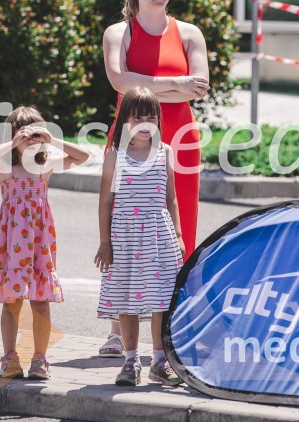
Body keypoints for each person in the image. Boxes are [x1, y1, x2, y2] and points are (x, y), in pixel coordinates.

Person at [99, 0, 208, 357]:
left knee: (180, 229)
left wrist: (146, 86)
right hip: (128, 141)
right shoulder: (118, 32)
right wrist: (175, 84)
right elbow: (119, 81)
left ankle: (173, 327)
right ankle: (117, 329)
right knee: (122, 227)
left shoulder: (190, 33)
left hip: (181, 139)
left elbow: (199, 87)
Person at [0, 106, 90, 379]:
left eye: (35, 132)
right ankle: (9, 358)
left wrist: (51, 139)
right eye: (23, 133)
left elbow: (83, 156)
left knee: (41, 301)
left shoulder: (44, 166)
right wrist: (11, 143)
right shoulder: (6, 167)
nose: (30, 138)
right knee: (11, 300)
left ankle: (40, 359)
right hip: (11, 243)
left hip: (39, 243)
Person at [94, 87, 185, 387]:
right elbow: (105, 201)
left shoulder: (165, 152)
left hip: (159, 238)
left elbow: (171, 198)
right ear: (124, 121)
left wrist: (179, 236)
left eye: (151, 117)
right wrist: (105, 242)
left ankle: (158, 362)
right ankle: (130, 360)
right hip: (124, 238)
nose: (145, 124)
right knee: (126, 298)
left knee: (161, 299)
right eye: (137, 118)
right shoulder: (115, 156)